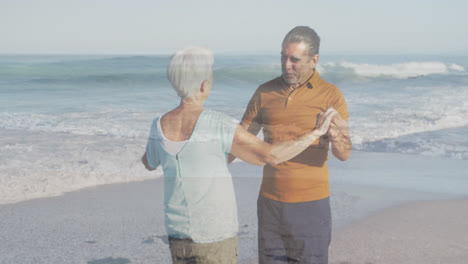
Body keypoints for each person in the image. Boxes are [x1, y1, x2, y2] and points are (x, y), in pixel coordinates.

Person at [141, 47, 338, 264]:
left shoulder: (158, 125)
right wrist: (316, 133)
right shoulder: (218, 123)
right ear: (204, 84)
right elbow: (269, 156)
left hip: (177, 234)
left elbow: (149, 162)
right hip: (215, 236)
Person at [238, 26, 352, 263]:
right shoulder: (264, 92)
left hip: (311, 206)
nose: (286, 64)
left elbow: (344, 154)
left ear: (314, 60)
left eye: (294, 59)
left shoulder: (331, 95)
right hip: (269, 204)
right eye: (283, 57)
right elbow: (240, 141)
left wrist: (336, 135)